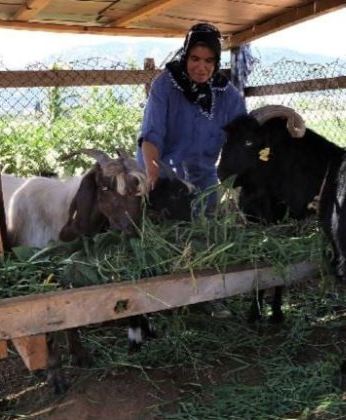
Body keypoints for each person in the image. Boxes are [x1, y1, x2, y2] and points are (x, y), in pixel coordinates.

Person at [138, 22, 247, 317]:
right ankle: (157, 298)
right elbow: (151, 136)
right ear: (185, 57)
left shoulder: (228, 95)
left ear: (217, 62)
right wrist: (151, 176)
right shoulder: (166, 86)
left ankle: (208, 295)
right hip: (164, 172)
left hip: (203, 175)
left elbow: (243, 137)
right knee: (165, 236)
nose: (202, 67)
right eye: (195, 59)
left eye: (209, 60)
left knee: (209, 235)